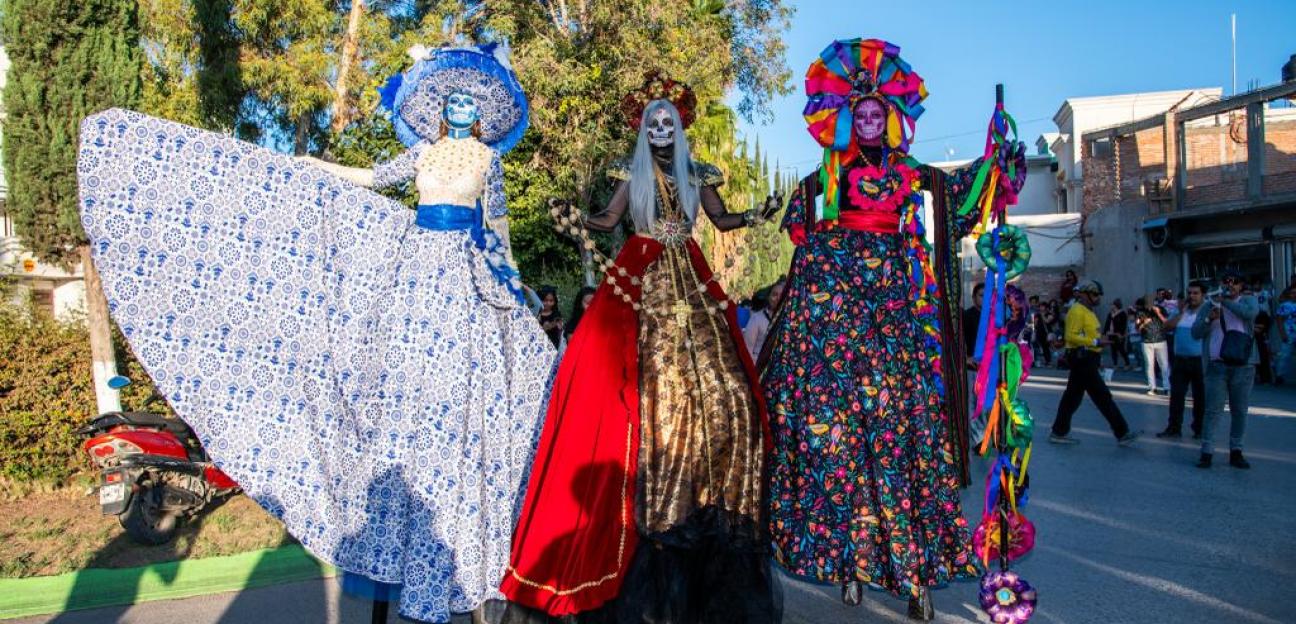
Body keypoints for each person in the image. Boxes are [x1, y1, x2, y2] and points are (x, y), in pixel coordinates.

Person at [77, 43, 555, 623]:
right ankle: (396, 536)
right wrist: (304, 170)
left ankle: (458, 540)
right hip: (412, 273)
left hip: (461, 280)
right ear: (439, 106)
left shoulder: (488, 162)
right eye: (449, 98)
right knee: (388, 394)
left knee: (458, 405)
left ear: (478, 111)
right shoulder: (424, 156)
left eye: (466, 101)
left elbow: (496, 228)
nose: (457, 107)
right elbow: (373, 177)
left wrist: (515, 287)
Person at [500, 74, 781, 624]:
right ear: (643, 129)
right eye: (652, 122)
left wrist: (756, 214)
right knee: (632, 379)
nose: (659, 129)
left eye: (667, 122)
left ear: (677, 128)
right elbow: (607, 220)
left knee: (725, 387)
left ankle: (705, 492)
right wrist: (575, 219)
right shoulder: (631, 176)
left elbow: (721, 221)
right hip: (642, 273)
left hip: (693, 279)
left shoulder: (697, 174)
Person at [761, 39, 1009, 621]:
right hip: (843, 297)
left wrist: (992, 160)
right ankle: (851, 561)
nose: (870, 121)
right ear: (847, 118)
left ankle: (911, 571)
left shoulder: (904, 170)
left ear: (890, 119)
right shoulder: (829, 170)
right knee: (840, 432)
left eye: (878, 114)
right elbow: (801, 228)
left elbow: (952, 197)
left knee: (902, 425)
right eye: (861, 114)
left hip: (895, 301)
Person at [1049, 281, 1140, 446]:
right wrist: (1096, 342)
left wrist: (1100, 343)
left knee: (1072, 397)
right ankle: (1122, 432)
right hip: (1082, 358)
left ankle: (1059, 431)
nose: (1098, 298)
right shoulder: (1077, 310)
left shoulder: (1088, 311)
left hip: (1088, 358)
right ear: (1085, 294)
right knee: (1102, 396)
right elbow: (1071, 336)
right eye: (1095, 294)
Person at [1193, 270, 1258, 469]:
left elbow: (1249, 314)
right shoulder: (1208, 305)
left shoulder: (1248, 301)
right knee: (1212, 411)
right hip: (1216, 365)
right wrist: (1208, 319)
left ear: (1241, 286)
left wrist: (1225, 301)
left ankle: (1236, 451)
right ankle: (1207, 452)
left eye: (1235, 282)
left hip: (1243, 365)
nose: (1231, 285)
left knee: (1240, 411)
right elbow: (1196, 333)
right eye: (1227, 282)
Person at [1158, 282, 1208, 438]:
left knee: (1200, 397)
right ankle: (1174, 427)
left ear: (1203, 295)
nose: (1192, 296)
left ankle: (1199, 428)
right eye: (1190, 293)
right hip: (1180, 359)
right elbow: (1166, 327)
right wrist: (1180, 313)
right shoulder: (1181, 312)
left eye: (1195, 293)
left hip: (1199, 360)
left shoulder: (1207, 312)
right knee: (1177, 395)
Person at [1134, 297, 1171, 394]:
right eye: (1147, 305)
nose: (1149, 307)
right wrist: (1143, 323)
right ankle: (1152, 387)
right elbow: (1137, 328)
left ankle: (1167, 387)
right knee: (1149, 365)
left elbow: (1167, 322)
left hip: (1161, 340)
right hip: (1147, 341)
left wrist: (1158, 313)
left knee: (1164, 364)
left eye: (1150, 304)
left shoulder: (1161, 309)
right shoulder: (1140, 312)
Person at [1276, 286, 1296, 385]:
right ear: (1290, 294)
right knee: (1285, 355)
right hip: (1289, 333)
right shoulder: (1285, 306)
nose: (1295, 294)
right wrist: (1282, 333)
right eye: (1293, 293)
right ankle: (1279, 375)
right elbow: (1279, 320)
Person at [963, 282, 987, 367]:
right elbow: (962, 340)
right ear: (973, 297)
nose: (985, 298)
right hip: (973, 366)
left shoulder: (994, 317)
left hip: (991, 366)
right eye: (981, 295)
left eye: (988, 295)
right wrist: (966, 358)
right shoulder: (967, 315)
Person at [1104, 299, 1131, 371]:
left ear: (1116, 305)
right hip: (1111, 334)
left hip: (1119, 335)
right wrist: (1105, 332)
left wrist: (1121, 333)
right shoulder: (1110, 314)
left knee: (1121, 349)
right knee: (1113, 350)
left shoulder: (1122, 313)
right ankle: (1115, 364)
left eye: (1112, 304)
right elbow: (1107, 323)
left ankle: (1127, 364)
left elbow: (1123, 325)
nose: (1111, 306)